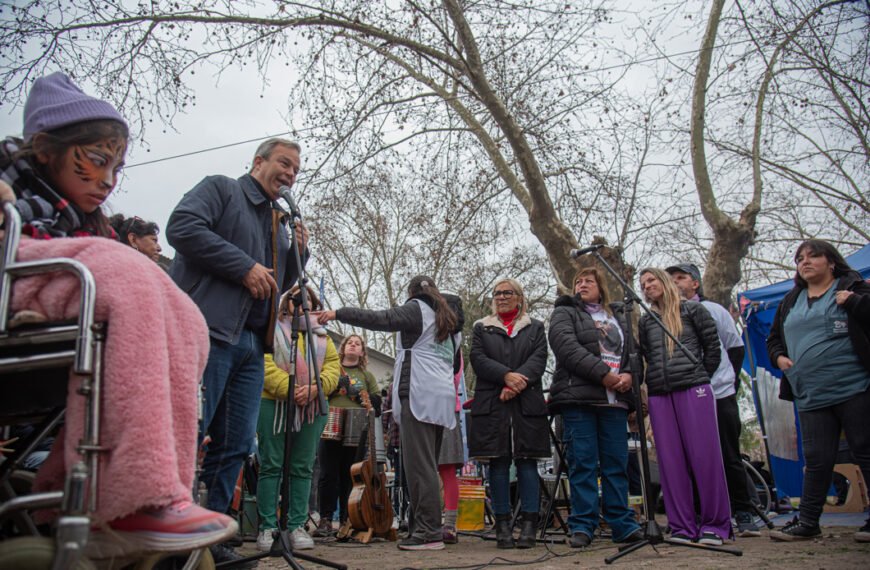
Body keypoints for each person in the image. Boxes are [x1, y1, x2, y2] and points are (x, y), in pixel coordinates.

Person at [0, 72, 235, 558]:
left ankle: (160, 489)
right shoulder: (12, 174)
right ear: (45, 148)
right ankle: (137, 492)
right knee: (129, 271)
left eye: (117, 167)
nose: (107, 180)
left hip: (64, 282)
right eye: (97, 162)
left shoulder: (88, 221)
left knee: (185, 312)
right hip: (19, 273)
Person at [166, 137, 308, 564]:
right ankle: (171, 537)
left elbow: (274, 286)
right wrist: (242, 266)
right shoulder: (221, 189)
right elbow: (182, 227)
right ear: (258, 161)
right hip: (207, 332)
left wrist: (299, 251)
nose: (290, 174)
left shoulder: (278, 221)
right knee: (189, 437)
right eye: (284, 163)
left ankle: (210, 539)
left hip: (251, 345)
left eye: (296, 170)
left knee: (235, 444)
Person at [316, 275, 459, 551]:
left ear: (413, 292)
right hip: (442, 397)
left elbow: (381, 319)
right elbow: (454, 365)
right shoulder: (451, 322)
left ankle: (429, 533)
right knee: (427, 463)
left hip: (419, 392)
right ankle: (420, 527)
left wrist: (338, 313)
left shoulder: (417, 308)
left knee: (420, 467)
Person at [766, 240, 870, 543]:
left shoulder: (854, 287)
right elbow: (774, 339)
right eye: (800, 258)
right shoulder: (791, 301)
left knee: (865, 450)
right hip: (811, 393)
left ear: (831, 262)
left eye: (813, 256)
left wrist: (851, 301)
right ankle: (809, 521)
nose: (805, 262)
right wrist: (778, 358)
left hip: (855, 387)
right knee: (816, 458)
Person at [548, 268, 643, 548]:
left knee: (616, 463)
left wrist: (628, 375)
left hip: (615, 401)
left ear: (601, 287)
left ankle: (622, 524)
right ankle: (583, 524)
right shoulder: (566, 312)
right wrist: (603, 374)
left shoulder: (618, 317)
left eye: (589, 280)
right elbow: (565, 346)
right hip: (580, 398)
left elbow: (634, 354)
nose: (582, 284)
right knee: (583, 462)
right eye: (577, 281)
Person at [637, 267, 731, 545]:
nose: (646, 286)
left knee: (705, 457)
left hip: (693, 388)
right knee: (670, 461)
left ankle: (715, 525)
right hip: (659, 393)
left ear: (665, 282)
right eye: (642, 283)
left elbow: (713, 350)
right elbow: (646, 356)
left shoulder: (694, 310)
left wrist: (698, 376)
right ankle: (681, 526)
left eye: (651, 280)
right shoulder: (646, 320)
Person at [666, 263, 759, 537]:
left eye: (681, 278)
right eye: (670, 279)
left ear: (695, 283)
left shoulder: (714, 310)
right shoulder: (662, 316)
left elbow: (735, 348)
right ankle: (697, 513)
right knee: (690, 458)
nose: (675, 283)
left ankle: (742, 510)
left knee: (728, 454)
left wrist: (717, 379)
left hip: (717, 393)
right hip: (682, 398)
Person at [256, 286, 339, 552]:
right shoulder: (272, 328)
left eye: (309, 301)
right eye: (296, 300)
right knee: (271, 465)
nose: (302, 304)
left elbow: (332, 369)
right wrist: (290, 390)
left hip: (311, 408)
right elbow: (264, 363)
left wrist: (316, 389)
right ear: (286, 303)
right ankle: (268, 527)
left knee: (302, 467)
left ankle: (296, 526)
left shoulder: (324, 336)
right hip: (274, 404)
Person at [468, 278, 549, 549]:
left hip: (526, 404)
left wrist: (516, 384)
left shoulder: (535, 327)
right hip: (492, 404)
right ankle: (502, 526)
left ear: (519, 297)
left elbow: (539, 359)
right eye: (497, 293)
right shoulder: (482, 327)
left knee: (527, 463)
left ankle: (529, 525)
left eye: (507, 293)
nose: (501, 297)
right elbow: (478, 360)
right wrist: (505, 376)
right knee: (498, 464)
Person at [312, 334, 380, 538]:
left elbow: (376, 404)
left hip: (355, 429)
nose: (353, 345)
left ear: (362, 352)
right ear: (343, 348)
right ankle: (325, 519)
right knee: (327, 474)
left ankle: (346, 519)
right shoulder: (331, 370)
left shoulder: (366, 376)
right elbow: (319, 393)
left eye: (357, 343)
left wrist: (360, 395)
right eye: (350, 342)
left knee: (349, 475)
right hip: (330, 425)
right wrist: (335, 386)